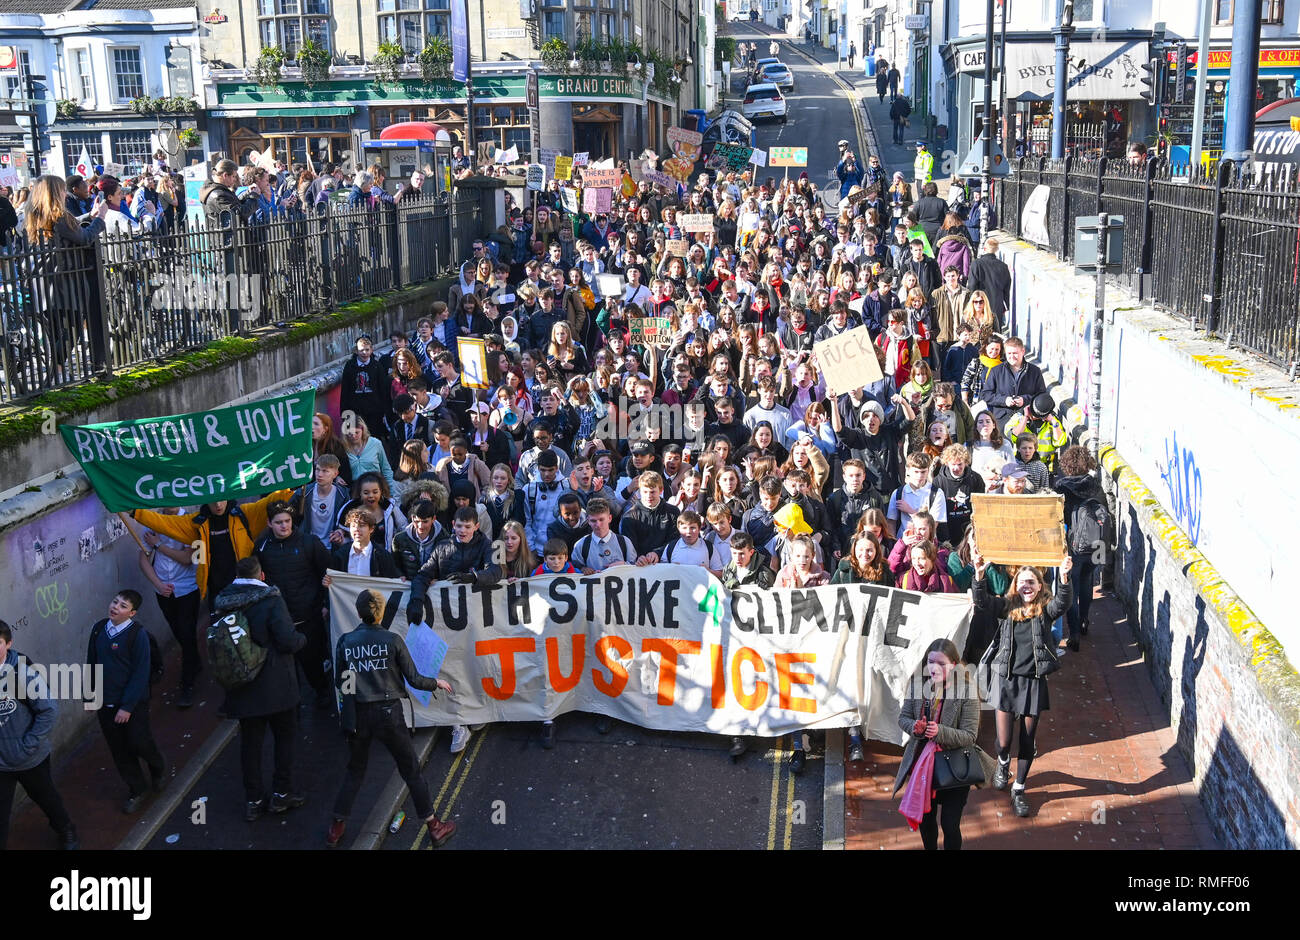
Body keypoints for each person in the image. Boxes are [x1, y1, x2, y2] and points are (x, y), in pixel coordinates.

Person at [327, 589, 455, 848]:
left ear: (358, 612)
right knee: (411, 771)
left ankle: (336, 828)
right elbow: (415, 679)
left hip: (358, 715)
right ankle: (434, 826)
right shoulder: (393, 639)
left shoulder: (345, 642)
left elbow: (342, 682)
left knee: (355, 771)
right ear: (382, 612)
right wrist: (437, 683)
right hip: (389, 715)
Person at [974, 550, 1073, 818]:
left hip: (1032, 683)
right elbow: (981, 602)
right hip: (1006, 680)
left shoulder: (1045, 611)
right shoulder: (1006, 608)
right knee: (1004, 742)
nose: (1026, 586)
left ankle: (1019, 788)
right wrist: (979, 574)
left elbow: (1062, 603)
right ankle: (1003, 763)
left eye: (1032, 582)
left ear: (1040, 586)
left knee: (1027, 741)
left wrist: (1064, 576)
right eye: (1022, 582)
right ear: (1015, 585)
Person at [212, 556, 307, 821]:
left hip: (242, 687)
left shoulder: (221, 602)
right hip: (277, 685)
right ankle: (282, 794)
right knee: (284, 740)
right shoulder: (271, 599)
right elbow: (287, 641)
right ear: (261, 576)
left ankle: (254, 800)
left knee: (250, 746)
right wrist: (303, 639)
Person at [894, 638, 996, 849]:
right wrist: (915, 727)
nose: (934, 668)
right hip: (923, 766)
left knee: (950, 825)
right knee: (927, 821)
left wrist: (941, 732)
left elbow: (969, 736)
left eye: (941, 663)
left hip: (954, 769)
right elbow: (903, 718)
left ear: (955, 665)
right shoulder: (916, 685)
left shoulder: (966, 692)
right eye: (931, 661)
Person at [87, 590, 167, 815]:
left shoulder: (137, 635)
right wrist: (89, 694)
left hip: (132, 705)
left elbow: (141, 673)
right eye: (115, 602)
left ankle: (158, 768)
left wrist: (127, 706)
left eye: (123, 606)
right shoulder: (98, 629)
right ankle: (137, 789)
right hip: (106, 703)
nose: (115, 607)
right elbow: (91, 662)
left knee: (140, 742)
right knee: (119, 750)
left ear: (132, 613)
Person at [0, 619, 79, 850]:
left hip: (29, 757)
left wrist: (27, 745)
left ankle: (66, 829)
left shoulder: (22, 675)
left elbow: (49, 710)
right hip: (1, 763)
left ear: (9, 643)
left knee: (46, 799)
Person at [255, 503, 335, 708]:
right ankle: (293, 702)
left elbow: (328, 573)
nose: (284, 526)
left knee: (313, 661)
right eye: (279, 522)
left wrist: (325, 603)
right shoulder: (262, 547)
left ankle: (322, 692)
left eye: (287, 521)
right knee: (285, 666)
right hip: (280, 619)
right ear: (269, 524)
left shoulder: (309, 542)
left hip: (309, 616)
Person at [136, 507, 202, 709]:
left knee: (187, 632)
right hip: (164, 591)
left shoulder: (191, 523)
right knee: (180, 634)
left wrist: (158, 546)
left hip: (188, 588)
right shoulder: (153, 523)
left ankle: (187, 683)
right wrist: (158, 584)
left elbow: (187, 557)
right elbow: (143, 559)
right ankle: (195, 662)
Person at [1056, 445, 1110, 652]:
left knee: (1071, 588)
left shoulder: (1062, 487)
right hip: (1097, 544)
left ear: (1067, 465)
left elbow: (1060, 517)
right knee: (1087, 583)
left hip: (1075, 545)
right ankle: (1085, 620)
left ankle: (1075, 632)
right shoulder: (1095, 484)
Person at [980, 336, 1047, 430]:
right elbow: (986, 394)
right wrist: (1004, 400)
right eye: (1009, 353)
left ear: (1023, 351)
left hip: (1027, 421)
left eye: (1015, 353)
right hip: (1002, 421)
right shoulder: (996, 371)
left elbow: (1042, 396)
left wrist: (1025, 399)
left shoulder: (1035, 371)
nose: (1011, 357)